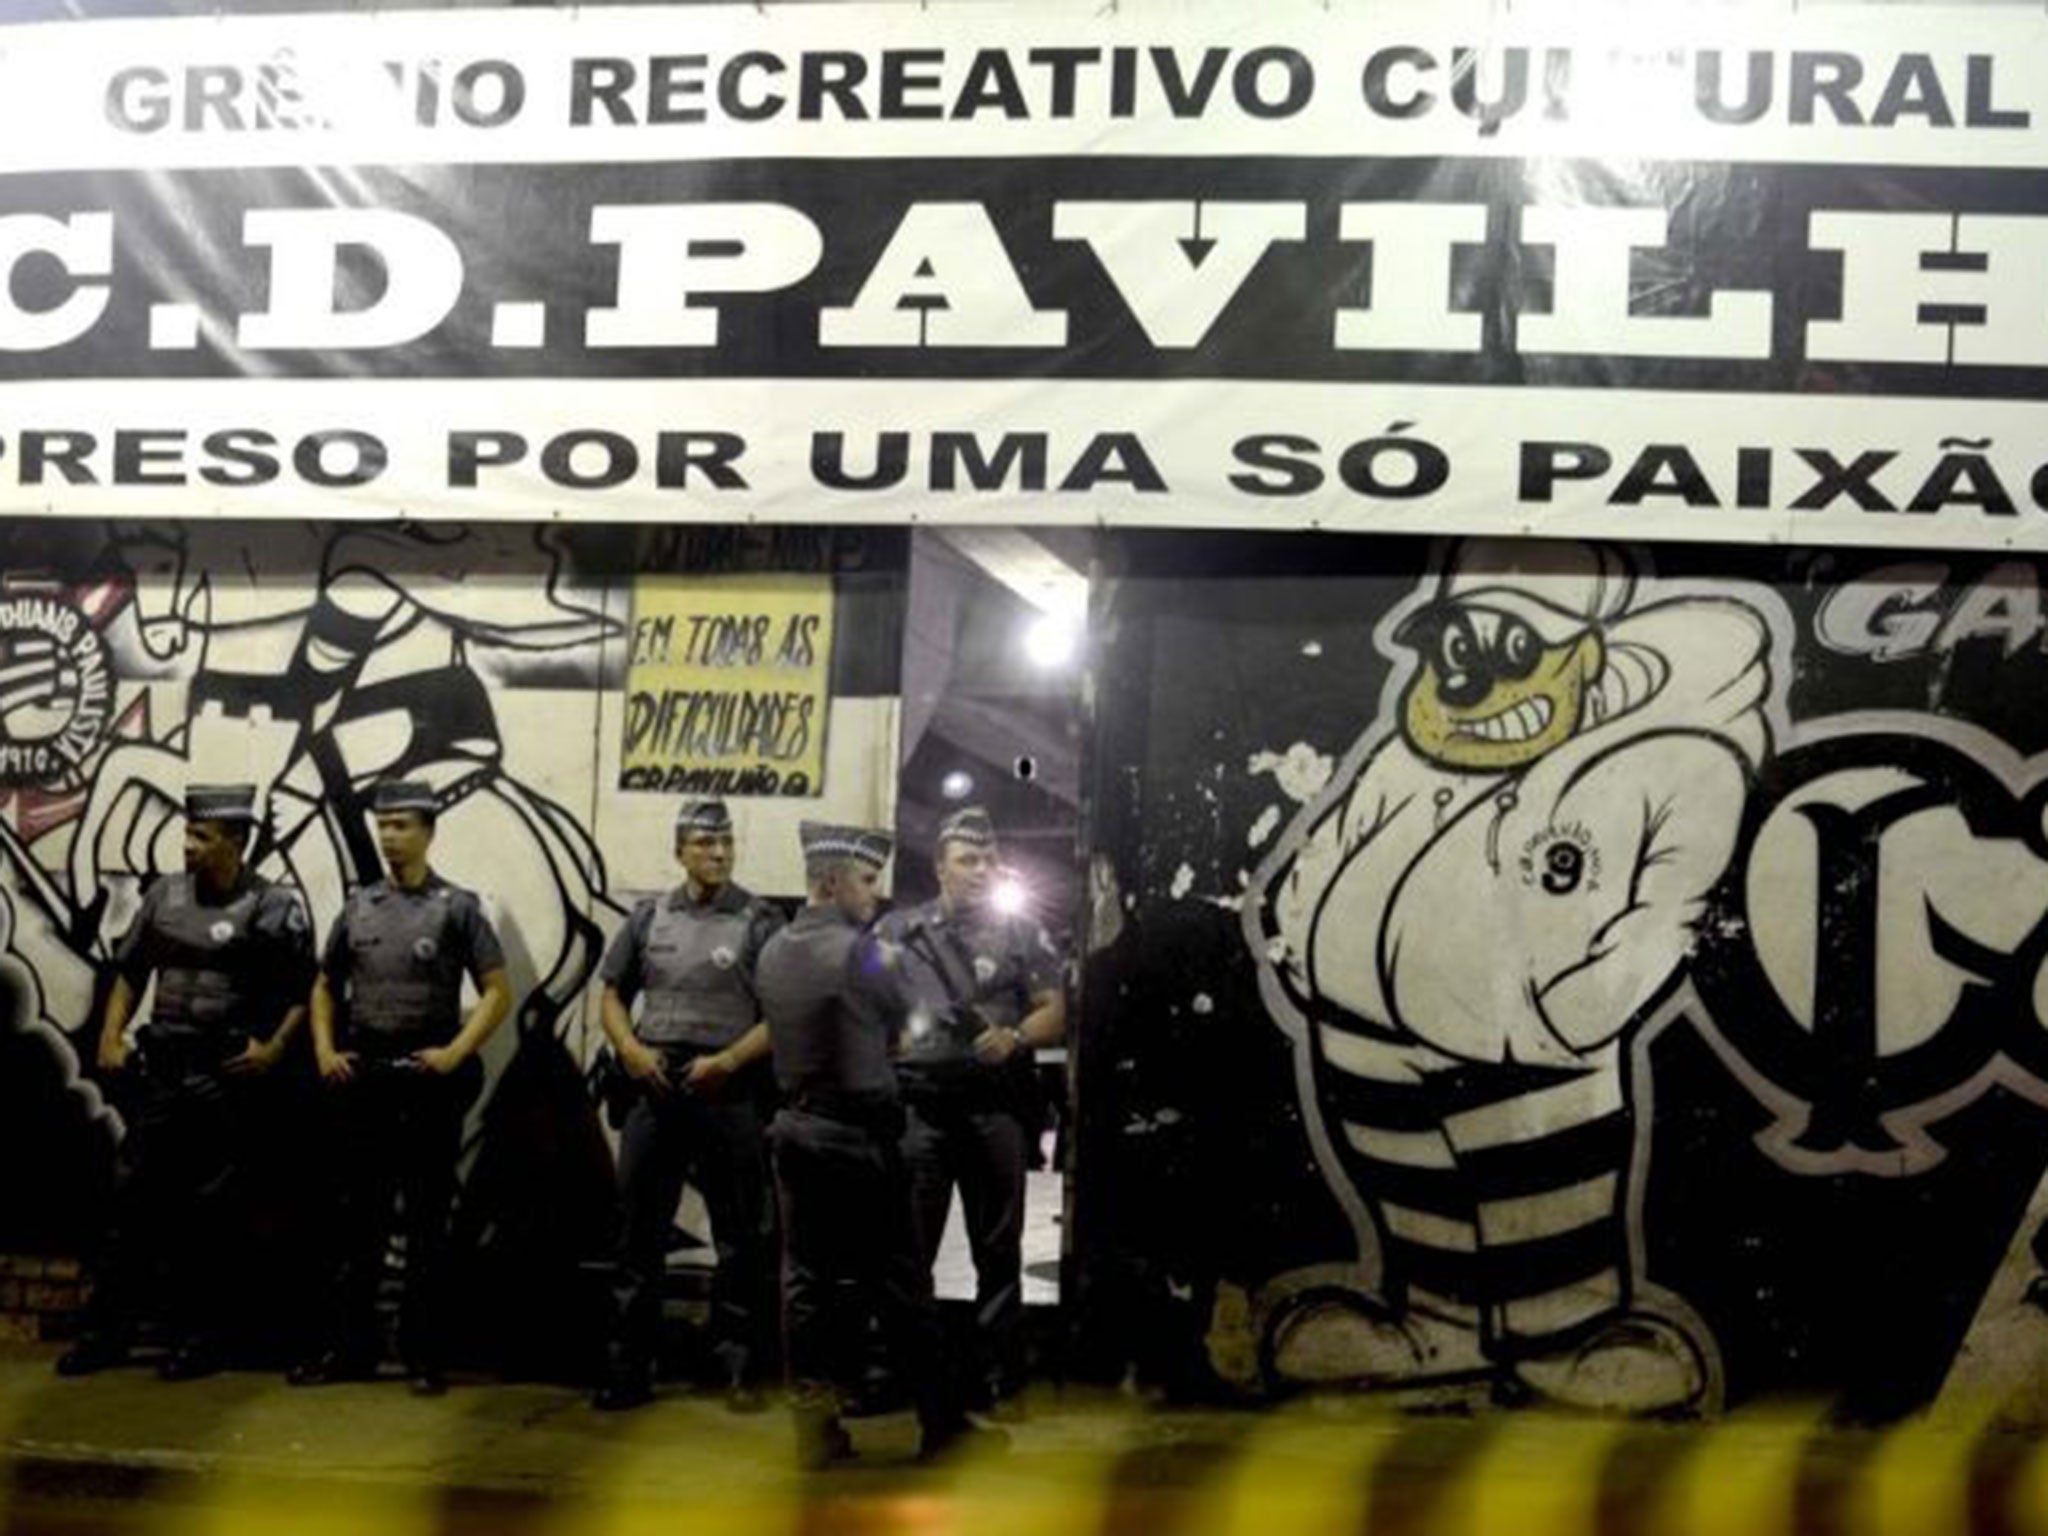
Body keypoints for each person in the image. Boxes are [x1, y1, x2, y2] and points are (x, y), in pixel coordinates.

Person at [56, 784, 314, 1381]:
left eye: (202, 837)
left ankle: (200, 1340)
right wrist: (111, 1034)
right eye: (188, 834)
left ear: (236, 842)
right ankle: (105, 1335)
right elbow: (130, 969)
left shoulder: (271, 904)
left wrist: (272, 1049)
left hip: (224, 1076)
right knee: (131, 1198)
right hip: (165, 1069)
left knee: (213, 1213)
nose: (188, 846)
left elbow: (304, 990)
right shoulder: (164, 895)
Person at [756, 820, 991, 1467]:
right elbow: (926, 1016)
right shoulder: (866, 951)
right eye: (864, 881)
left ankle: (814, 1433)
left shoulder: (773, 949)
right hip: (862, 1140)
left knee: (805, 1286)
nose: (874, 896)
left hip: (795, 1131)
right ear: (830, 882)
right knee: (901, 1286)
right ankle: (940, 1426)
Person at [292, 778, 511, 1396]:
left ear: (429, 830)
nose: (389, 835)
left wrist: (454, 1054)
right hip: (365, 1079)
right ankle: (350, 1349)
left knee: (425, 1221)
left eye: (402, 825)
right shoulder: (359, 907)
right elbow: (324, 986)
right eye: (383, 824)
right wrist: (327, 1050)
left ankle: (422, 1354)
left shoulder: (457, 907)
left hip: (426, 1081)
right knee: (355, 1221)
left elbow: (498, 991)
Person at [591, 797, 785, 1412]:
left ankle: (737, 1368)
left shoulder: (760, 921)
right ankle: (629, 1369)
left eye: (726, 842)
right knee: (637, 1235)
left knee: (741, 1238)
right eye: (705, 843)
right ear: (680, 851)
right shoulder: (649, 918)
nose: (719, 853)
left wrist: (727, 1062)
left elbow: (782, 1015)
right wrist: (629, 1049)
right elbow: (612, 993)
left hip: (728, 1089)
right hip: (656, 1084)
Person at [876, 807, 1066, 1409]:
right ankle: (906, 1372)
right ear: (940, 867)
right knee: (907, 1247)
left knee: (999, 1247)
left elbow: (1054, 1007)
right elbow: (862, 993)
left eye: (988, 859)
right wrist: (889, 1040)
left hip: (994, 1109)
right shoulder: (898, 932)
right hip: (922, 1111)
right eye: (967, 860)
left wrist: (1015, 1038)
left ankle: (996, 1374)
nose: (981, 870)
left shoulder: (1021, 931)